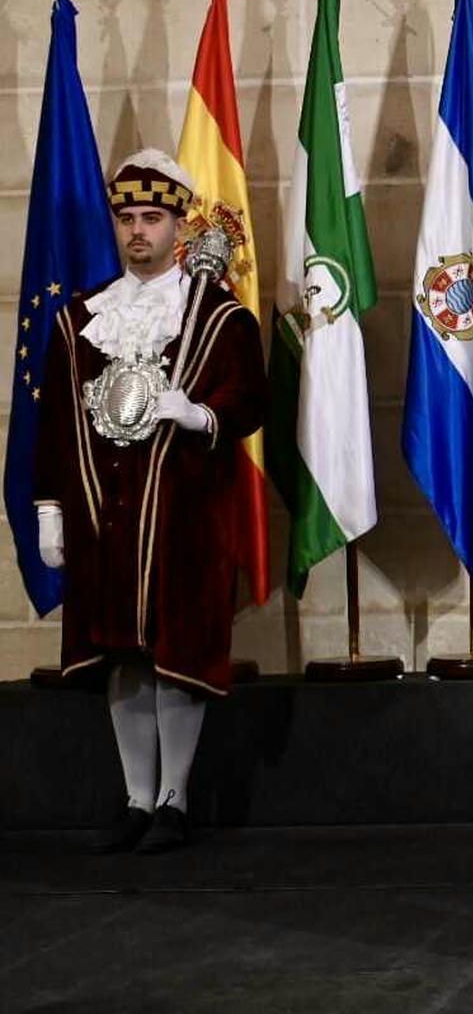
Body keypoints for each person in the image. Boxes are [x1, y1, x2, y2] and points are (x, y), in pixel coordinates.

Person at [33, 148, 266, 855]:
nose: (138, 231)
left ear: (178, 225)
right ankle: (136, 798)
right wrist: (50, 510)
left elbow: (250, 398)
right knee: (122, 656)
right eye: (128, 217)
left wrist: (200, 415)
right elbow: (51, 426)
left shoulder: (218, 317)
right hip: (105, 515)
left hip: (184, 514)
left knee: (174, 653)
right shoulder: (82, 320)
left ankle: (175, 798)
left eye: (152, 218)